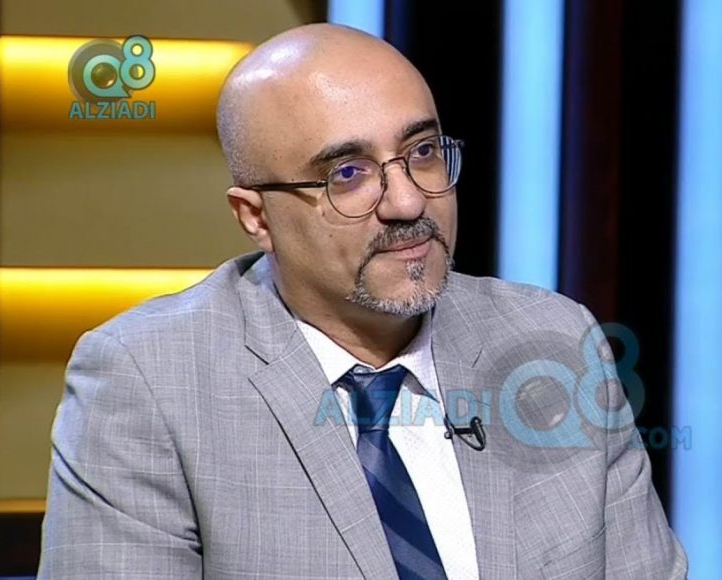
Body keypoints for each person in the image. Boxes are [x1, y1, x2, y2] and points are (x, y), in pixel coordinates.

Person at [39, 23, 687, 579]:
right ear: (256, 217)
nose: (407, 202)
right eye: (347, 174)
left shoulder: (556, 340)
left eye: (422, 152)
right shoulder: (148, 381)